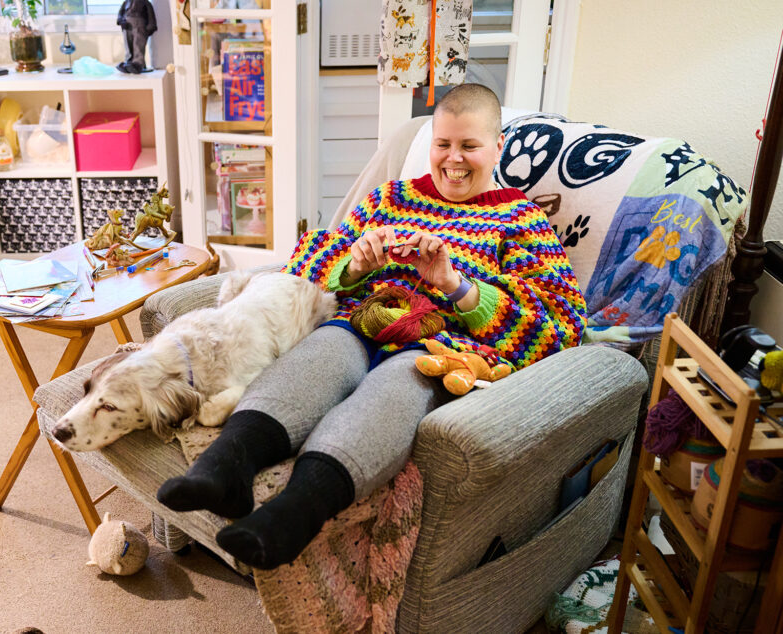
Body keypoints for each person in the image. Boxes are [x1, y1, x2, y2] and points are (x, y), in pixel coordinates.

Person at [157, 83, 587, 570]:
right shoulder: (391, 199)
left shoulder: (522, 220)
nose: (453, 160)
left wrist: (456, 285)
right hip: (359, 320)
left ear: (497, 146)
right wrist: (353, 265)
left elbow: (560, 326)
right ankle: (224, 468)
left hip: (437, 344)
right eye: (443, 144)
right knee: (319, 358)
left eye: (469, 146)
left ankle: (291, 516)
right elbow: (307, 263)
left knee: (393, 389)